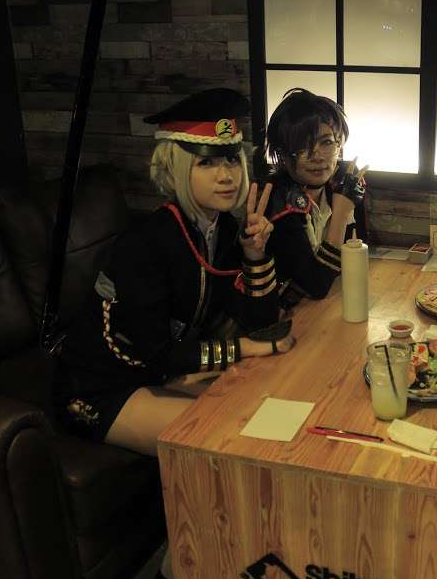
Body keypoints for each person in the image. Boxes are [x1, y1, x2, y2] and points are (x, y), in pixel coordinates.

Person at [55, 88, 293, 456]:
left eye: (232, 160)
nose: (226, 175)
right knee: (231, 442)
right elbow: (156, 352)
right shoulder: (146, 242)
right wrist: (244, 348)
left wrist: (255, 255)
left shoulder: (225, 229)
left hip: (160, 373)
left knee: (271, 409)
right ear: (175, 168)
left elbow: (260, 321)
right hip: (102, 385)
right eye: (206, 163)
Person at [258, 88, 368, 307]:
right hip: (288, 310)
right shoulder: (277, 199)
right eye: (301, 146)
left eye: (326, 142)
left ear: (339, 144)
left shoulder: (343, 181)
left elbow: (359, 251)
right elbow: (315, 285)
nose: (317, 157)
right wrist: (341, 214)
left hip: (333, 302)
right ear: (282, 153)